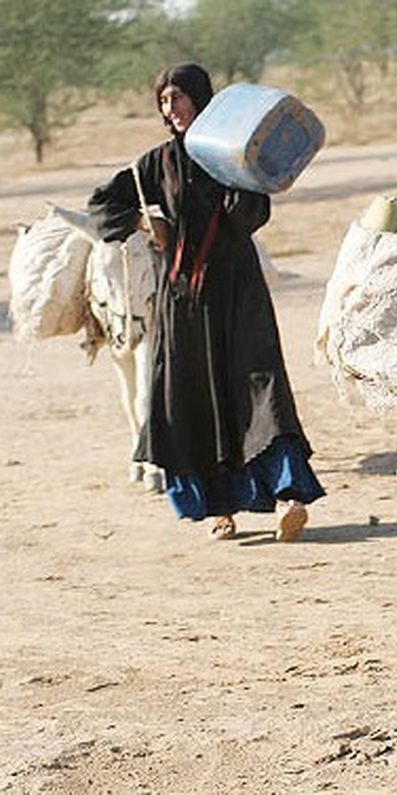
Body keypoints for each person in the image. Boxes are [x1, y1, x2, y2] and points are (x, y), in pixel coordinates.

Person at [88, 63, 324, 541]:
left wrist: (239, 183)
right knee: (194, 402)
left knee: (262, 387)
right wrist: (141, 222)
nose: (169, 108)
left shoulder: (236, 152)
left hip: (238, 291)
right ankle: (220, 509)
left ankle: (288, 495)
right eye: (163, 100)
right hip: (182, 303)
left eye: (177, 97)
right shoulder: (155, 164)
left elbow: (250, 218)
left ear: (200, 98)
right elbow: (101, 204)